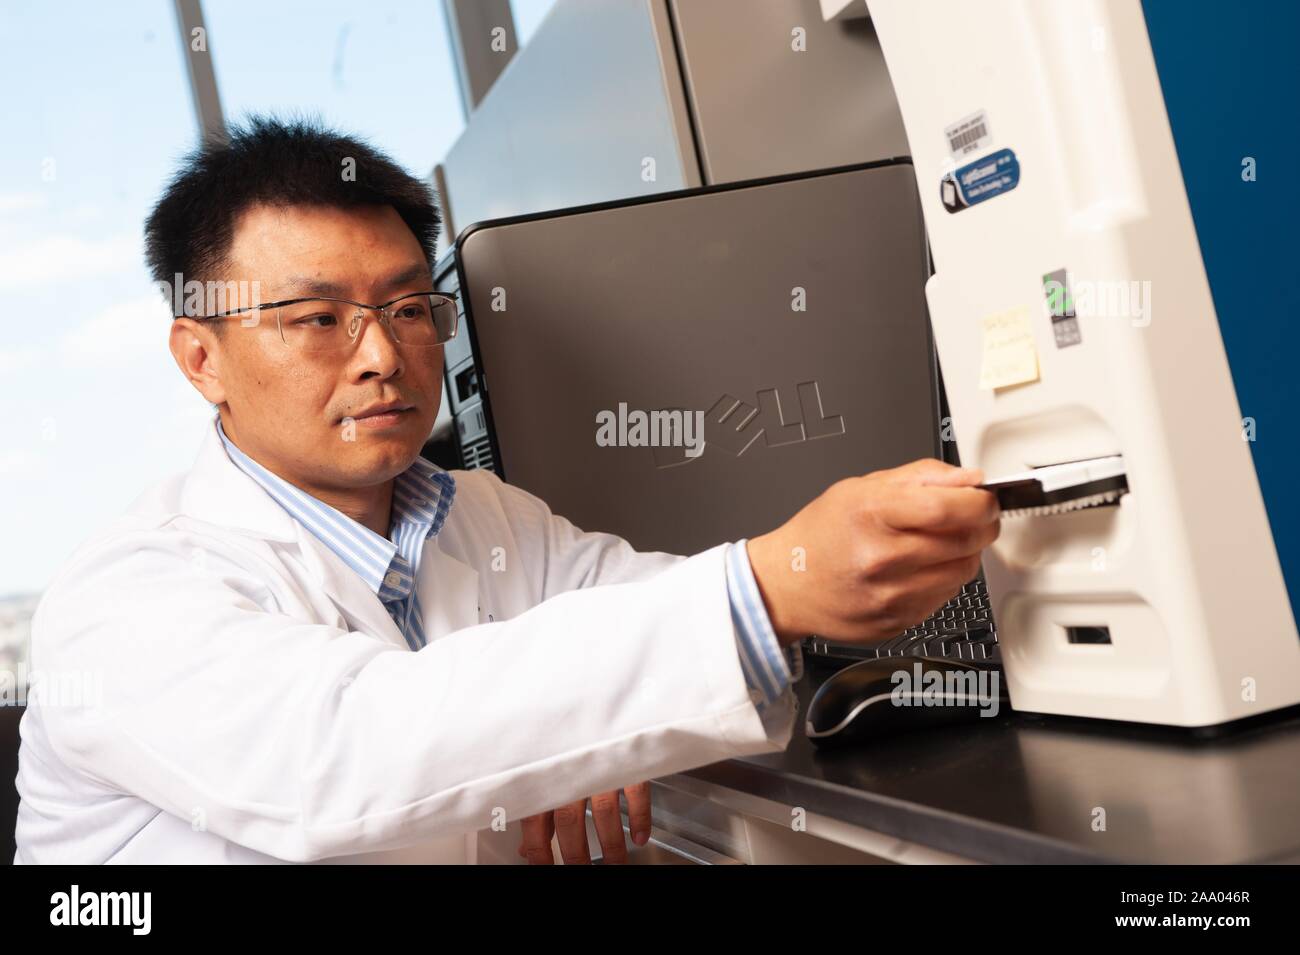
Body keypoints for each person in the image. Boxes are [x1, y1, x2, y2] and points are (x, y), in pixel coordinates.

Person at [14, 117, 999, 864]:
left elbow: (634, 607)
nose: (382, 355)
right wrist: (763, 590)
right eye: (317, 318)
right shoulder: (126, 597)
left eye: (410, 307)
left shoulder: (476, 514)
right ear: (201, 358)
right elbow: (347, 759)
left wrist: (585, 739)